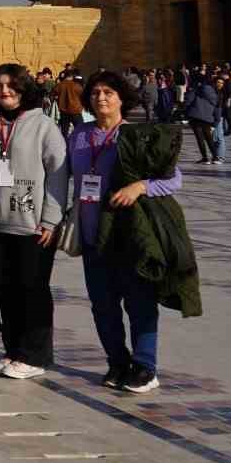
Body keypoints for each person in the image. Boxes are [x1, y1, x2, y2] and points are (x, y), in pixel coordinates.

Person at [73, 71, 181, 393]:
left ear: (122, 98)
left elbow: (174, 179)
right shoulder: (78, 136)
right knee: (102, 305)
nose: (101, 98)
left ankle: (145, 367)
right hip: (94, 236)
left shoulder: (137, 135)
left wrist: (141, 186)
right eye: (95, 93)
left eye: (108, 92)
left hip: (130, 235)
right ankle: (117, 362)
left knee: (140, 302)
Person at [0, 64, 68, 380]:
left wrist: (50, 219)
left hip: (33, 224)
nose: (4, 91)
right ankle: (14, 350)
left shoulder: (44, 126)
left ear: (24, 89)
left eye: (11, 86)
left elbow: (58, 175)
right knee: (4, 290)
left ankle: (35, 355)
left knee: (32, 289)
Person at [185, 77, 222, 164]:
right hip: (208, 118)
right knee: (209, 138)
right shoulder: (217, 94)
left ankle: (205, 158)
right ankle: (215, 157)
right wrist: (216, 122)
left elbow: (189, 99)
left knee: (200, 138)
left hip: (195, 115)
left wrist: (186, 109)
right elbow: (217, 109)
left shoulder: (198, 89)